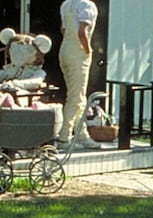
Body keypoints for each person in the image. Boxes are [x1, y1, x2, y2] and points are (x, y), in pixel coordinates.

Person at [59, 0, 100, 149]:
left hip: (65, 50)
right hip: (77, 53)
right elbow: (82, 31)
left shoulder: (66, 4)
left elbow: (63, 29)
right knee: (75, 97)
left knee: (79, 95)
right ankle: (64, 137)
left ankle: (82, 135)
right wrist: (88, 50)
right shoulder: (87, 5)